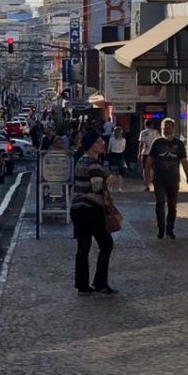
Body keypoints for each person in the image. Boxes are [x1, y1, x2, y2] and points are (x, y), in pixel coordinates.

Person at [70, 130, 117, 295]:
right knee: (106, 244)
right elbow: (97, 188)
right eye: (98, 142)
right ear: (91, 145)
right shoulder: (94, 164)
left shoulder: (81, 161)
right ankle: (100, 283)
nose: (102, 144)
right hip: (92, 210)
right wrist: (109, 181)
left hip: (77, 208)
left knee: (83, 247)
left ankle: (82, 285)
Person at [148, 118, 188, 239]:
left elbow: (184, 162)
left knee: (172, 205)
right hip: (159, 179)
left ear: (173, 129)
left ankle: (170, 229)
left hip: (173, 179)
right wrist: (146, 177)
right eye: (164, 129)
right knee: (160, 203)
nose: (166, 131)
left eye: (168, 128)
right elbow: (149, 160)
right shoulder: (156, 143)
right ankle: (161, 228)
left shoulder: (179, 144)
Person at [137, 119, 161, 191]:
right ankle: (156, 183)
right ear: (152, 124)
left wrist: (139, 153)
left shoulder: (143, 133)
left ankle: (147, 185)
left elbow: (141, 143)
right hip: (155, 153)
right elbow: (159, 142)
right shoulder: (156, 132)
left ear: (145, 124)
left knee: (145, 169)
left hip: (146, 152)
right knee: (155, 169)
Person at [106, 125, 128, 192]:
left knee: (115, 173)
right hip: (118, 155)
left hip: (114, 155)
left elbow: (109, 148)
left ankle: (112, 186)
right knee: (117, 173)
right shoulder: (123, 140)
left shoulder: (112, 139)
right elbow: (123, 148)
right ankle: (118, 187)